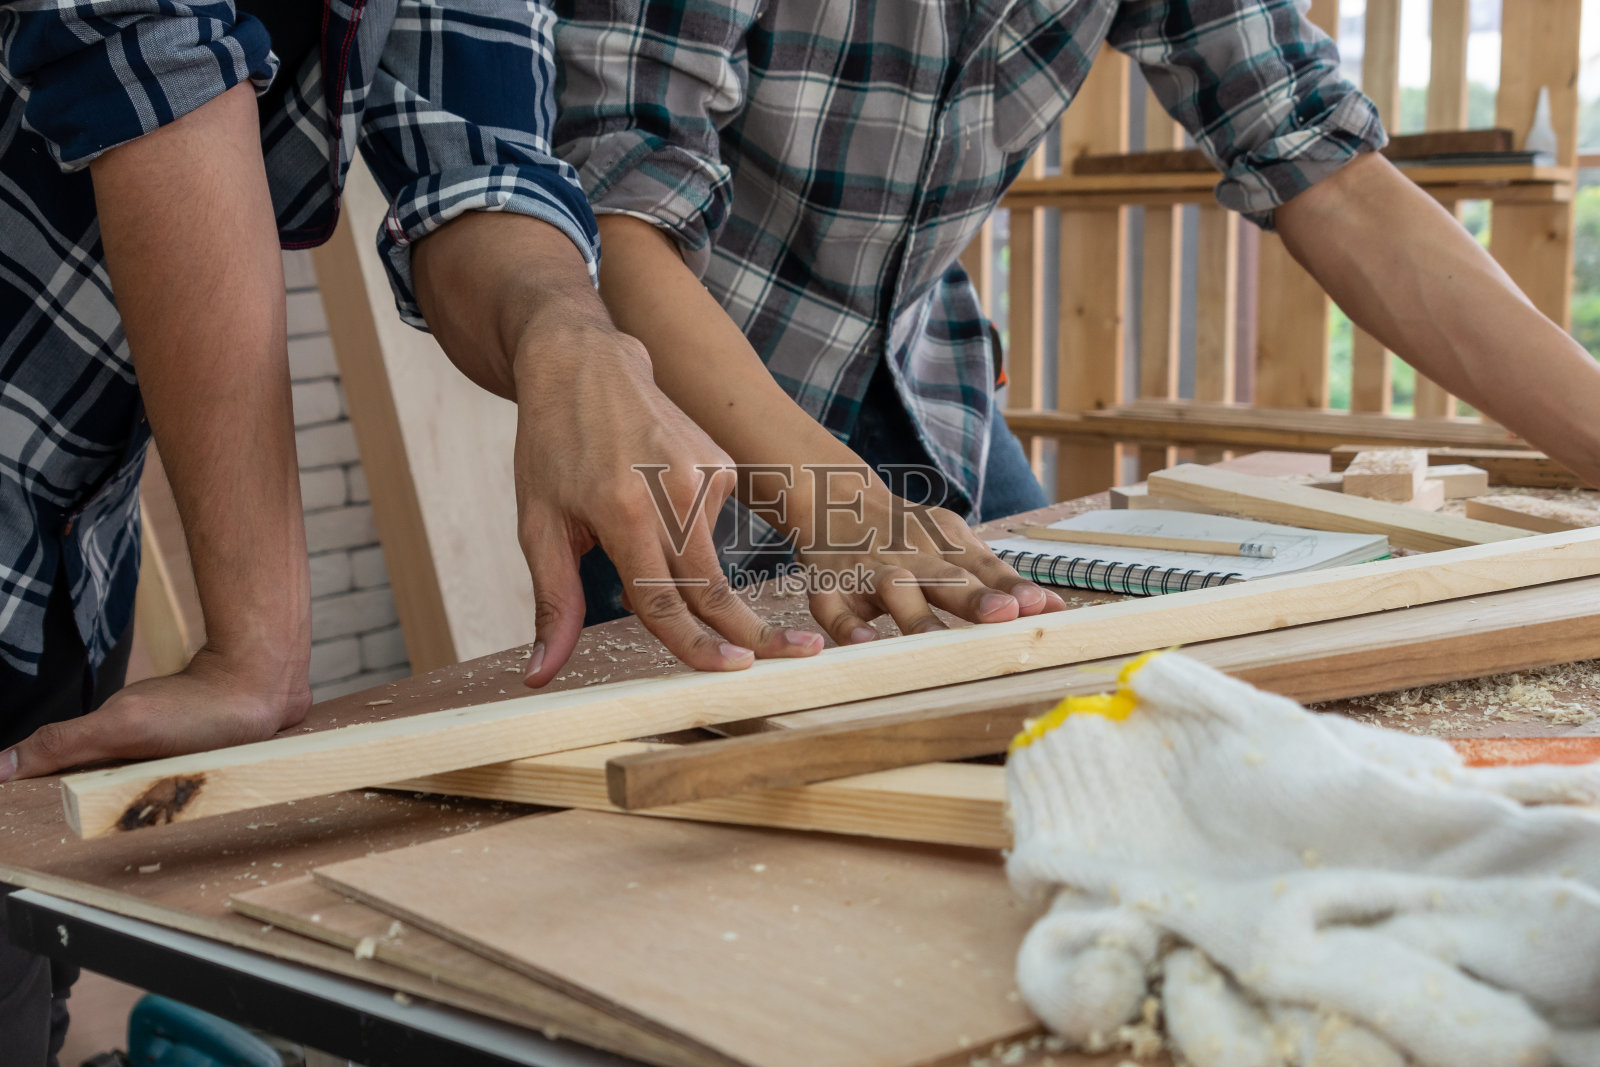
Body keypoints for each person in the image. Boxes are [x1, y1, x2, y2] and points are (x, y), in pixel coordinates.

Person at [547, 0, 1600, 629]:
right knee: (671, 733)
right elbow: (615, 212)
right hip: (679, 386)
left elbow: (1334, 176)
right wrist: (846, 508)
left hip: (917, 367)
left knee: (1033, 641)